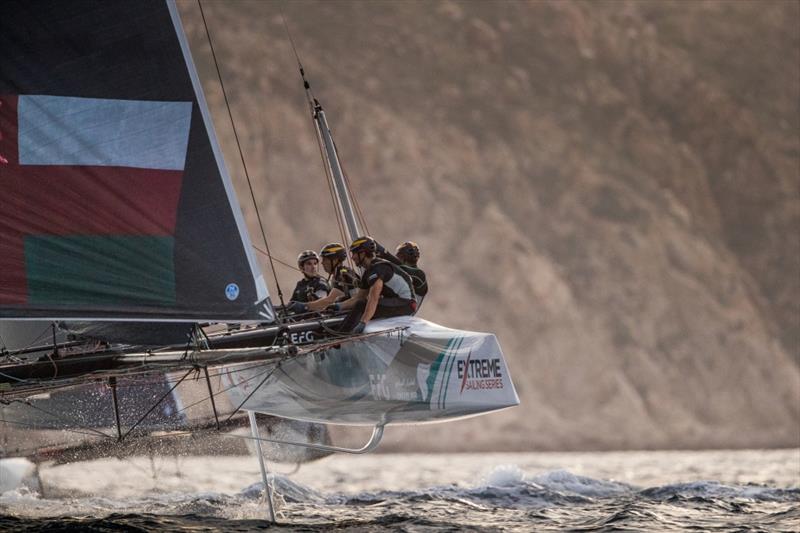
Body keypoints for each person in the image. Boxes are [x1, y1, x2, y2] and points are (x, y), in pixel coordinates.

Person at [333, 236, 416, 333]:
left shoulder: (378, 268)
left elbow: (373, 298)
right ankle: (341, 332)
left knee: (361, 305)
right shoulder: (369, 272)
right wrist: (338, 306)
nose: (352, 257)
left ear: (362, 253)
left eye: (354, 253)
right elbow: (358, 297)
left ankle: (341, 334)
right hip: (398, 301)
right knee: (360, 303)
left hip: (407, 304)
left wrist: (363, 323)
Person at [306, 242, 361, 312]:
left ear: (335, 260)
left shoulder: (343, 274)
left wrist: (305, 306)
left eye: (325, 259)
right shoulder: (336, 275)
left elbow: (330, 300)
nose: (322, 263)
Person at [378, 241, 428, 309]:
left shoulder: (419, 274)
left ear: (402, 257)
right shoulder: (402, 273)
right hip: (398, 305)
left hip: (404, 310)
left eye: (398, 258)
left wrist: (383, 252)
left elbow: (404, 270)